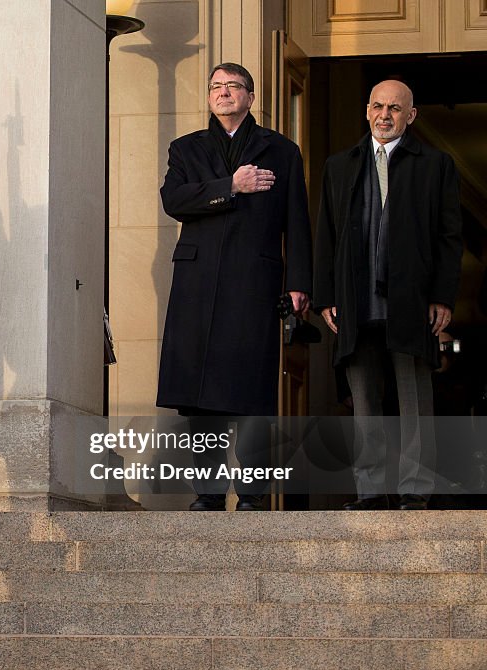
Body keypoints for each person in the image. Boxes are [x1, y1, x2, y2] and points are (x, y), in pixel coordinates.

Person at [156, 62, 312, 512]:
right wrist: (231, 186)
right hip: (197, 284)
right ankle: (206, 493)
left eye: (233, 87)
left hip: (254, 282)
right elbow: (174, 200)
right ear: (209, 97)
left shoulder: (282, 151)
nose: (223, 93)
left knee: (252, 391)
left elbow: (296, 221)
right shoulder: (186, 149)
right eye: (216, 87)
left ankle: (253, 494)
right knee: (200, 398)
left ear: (251, 96)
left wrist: (299, 282)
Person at [313, 79, 462, 511]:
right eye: (378, 107)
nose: (385, 115)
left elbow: (449, 237)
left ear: (410, 115)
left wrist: (443, 297)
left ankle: (415, 489)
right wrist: (327, 296)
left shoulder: (436, 164)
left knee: (415, 397)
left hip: (411, 300)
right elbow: (326, 234)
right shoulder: (341, 165)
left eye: (395, 109)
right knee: (363, 399)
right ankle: (371, 490)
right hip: (356, 302)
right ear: (366, 110)